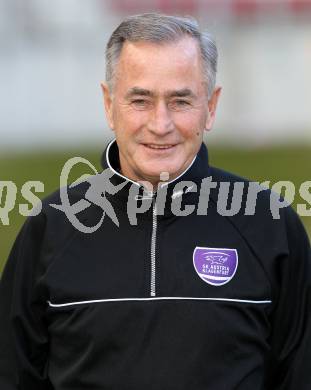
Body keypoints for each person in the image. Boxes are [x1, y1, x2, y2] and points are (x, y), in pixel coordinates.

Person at [0, 12, 310, 390]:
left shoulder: (270, 226)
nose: (160, 124)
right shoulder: (51, 229)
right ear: (108, 104)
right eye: (141, 100)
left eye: (180, 101)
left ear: (210, 107)